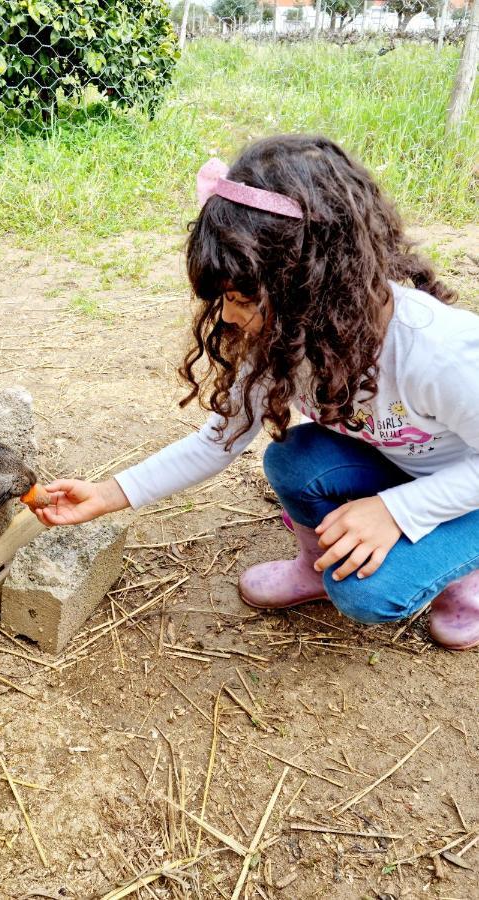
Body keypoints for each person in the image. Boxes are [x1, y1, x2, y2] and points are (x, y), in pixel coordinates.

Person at [34, 134, 479, 651]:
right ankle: (314, 567)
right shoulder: (286, 335)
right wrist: (108, 494)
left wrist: (399, 511)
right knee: (292, 460)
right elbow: (215, 442)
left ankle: (465, 572)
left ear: (314, 284)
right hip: (406, 465)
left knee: (366, 591)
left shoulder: (440, 352)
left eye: (243, 298)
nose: (227, 317)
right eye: (223, 298)